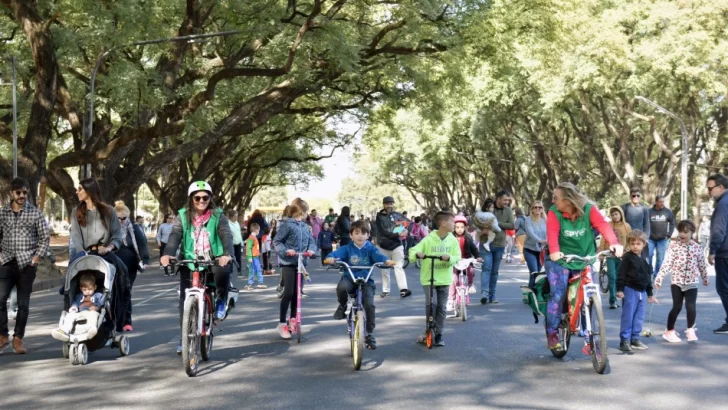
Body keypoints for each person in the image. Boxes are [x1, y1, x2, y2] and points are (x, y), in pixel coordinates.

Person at [545, 182, 623, 350]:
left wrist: (614, 243)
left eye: (556, 198)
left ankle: (590, 336)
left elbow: (603, 226)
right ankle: (552, 332)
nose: (553, 200)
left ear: (568, 200)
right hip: (561, 259)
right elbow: (552, 233)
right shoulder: (554, 212)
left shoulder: (588, 210)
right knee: (557, 295)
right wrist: (554, 250)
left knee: (588, 295)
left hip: (585, 258)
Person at [160, 181, 233, 353]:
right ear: (191, 199)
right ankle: (184, 337)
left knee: (222, 271)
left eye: (205, 197)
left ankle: (221, 299)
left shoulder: (218, 215)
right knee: (184, 299)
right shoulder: (183, 215)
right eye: (197, 197)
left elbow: (225, 234)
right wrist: (168, 253)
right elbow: (175, 235)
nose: (201, 200)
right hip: (190, 260)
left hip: (213, 259)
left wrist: (226, 254)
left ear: (210, 198)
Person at [69, 178, 129, 334]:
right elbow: (75, 236)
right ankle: (70, 312)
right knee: (70, 278)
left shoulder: (108, 211)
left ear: (89, 191)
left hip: (104, 252)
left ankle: (117, 318)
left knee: (122, 273)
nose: (77, 192)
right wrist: (82, 252)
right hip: (84, 253)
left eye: (80, 189)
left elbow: (117, 235)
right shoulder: (76, 212)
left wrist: (109, 247)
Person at [0, 178, 51, 354]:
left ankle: (18, 339)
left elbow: (45, 237)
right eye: (18, 192)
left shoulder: (35, 213)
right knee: (0, 298)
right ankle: (3, 336)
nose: (21, 196)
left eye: (24, 192)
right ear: (11, 194)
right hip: (6, 261)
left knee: (23, 304)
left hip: (27, 264)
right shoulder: (2, 213)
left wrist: (36, 257)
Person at [326, 220, 394, 350]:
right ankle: (342, 306)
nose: (360, 236)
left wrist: (386, 261)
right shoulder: (347, 248)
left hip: (366, 281)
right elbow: (336, 254)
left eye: (363, 233)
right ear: (351, 235)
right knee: (341, 288)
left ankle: (369, 333)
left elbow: (379, 256)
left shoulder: (371, 249)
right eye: (357, 233)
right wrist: (331, 257)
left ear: (368, 235)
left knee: (369, 305)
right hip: (350, 279)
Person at [409, 211, 461, 347]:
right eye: (452, 222)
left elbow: (457, 257)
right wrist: (417, 254)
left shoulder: (452, 240)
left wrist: (449, 258)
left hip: (444, 279)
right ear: (443, 223)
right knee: (432, 305)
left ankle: (438, 334)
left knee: (442, 307)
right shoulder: (428, 239)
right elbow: (412, 252)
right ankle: (429, 329)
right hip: (429, 279)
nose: (454, 224)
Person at [655, 220, 709, 343]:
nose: (682, 234)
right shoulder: (674, 247)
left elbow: (701, 265)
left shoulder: (697, 248)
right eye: (680, 231)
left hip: (692, 282)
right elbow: (666, 264)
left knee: (691, 307)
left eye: (686, 232)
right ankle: (669, 331)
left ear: (692, 233)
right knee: (677, 307)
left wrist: (705, 278)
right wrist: (659, 278)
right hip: (677, 282)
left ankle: (690, 329)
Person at [273, 198, 317, 339]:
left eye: (304, 213)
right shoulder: (288, 225)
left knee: (297, 294)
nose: (304, 215)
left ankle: (293, 319)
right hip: (288, 263)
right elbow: (277, 241)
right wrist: (286, 250)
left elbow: (312, 242)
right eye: (303, 212)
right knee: (289, 292)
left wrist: (311, 251)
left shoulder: (305, 227)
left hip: (301, 263)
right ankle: (281, 323)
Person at [616, 230, 658, 352]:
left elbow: (648, 276)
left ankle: (635, 339)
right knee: (628, 316)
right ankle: (624, 340)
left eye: (638, 243)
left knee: (639, 317)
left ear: (643, 244)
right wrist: (620, 289)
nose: (635, 246)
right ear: (628, 244)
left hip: (642, 292)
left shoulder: (645, 258)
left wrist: (650, 293)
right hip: (630, 289)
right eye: (632, 243)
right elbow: (621, 274)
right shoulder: (627, 257)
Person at [114, 201, 150, 332]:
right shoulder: (110, 228)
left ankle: (126, 321)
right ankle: (114, 320)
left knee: (126, 292)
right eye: (119, 218)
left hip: (130, 265)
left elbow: (142, 244)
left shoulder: (134, 228)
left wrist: (145, 260)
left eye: (125, 218)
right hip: (114, 264)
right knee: (114, 292)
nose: (122, 221)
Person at [480, 190, 514, 304]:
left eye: (508, 200)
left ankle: (492, 295)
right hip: (486, 244)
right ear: (498, 199)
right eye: (505, 200)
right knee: (486, 268)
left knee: (494, 271)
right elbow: (478, 221)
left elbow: (512, 225)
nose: (507, 202)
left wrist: (497, 222)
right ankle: (484, 293)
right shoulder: (488, 207)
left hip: (499, 245)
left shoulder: (508, 210)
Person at [375, 196, 411, 298]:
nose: (389, 205)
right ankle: (385, 290)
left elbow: (409, 223)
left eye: (391, 203)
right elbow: (383, 231)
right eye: (387, 203)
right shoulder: (379, 217)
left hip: (396, 245)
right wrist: (397, 234)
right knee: (385, 269)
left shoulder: (397, 215)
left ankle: (403, 289)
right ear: (383, 204)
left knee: (398, 267)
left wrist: (406, 230)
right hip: (383, 246)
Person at [51, 273, 104, 341]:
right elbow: (75, 302)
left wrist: (97, 308)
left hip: (91, 311)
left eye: (90, 289)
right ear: (81, 289)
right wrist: (74, 307)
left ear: (95, 287)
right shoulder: (79, 296)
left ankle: (91, 329)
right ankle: (65, 331)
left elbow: (102, 304)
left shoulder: (98, 295)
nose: (87, 291)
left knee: (93, 315)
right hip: (80, 311)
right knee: (69, 315)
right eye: (84, 290)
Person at [706, 173, 728, 334]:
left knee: (724, 288)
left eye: (710, 188)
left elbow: (719, 230)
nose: (709, 192)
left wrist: (713, 250)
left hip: (725, 253)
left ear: (720, 187)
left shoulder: (722, 204)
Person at [599, 206, 631, 309]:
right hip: (610, 255)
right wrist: (601, 253)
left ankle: (623, 297)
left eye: (616, 214)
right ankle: (612, 300)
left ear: (621, 214)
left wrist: (628, 250)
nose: (614, 216)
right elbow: (604, 239)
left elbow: (630, 239)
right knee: (612, 277)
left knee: (620, 277)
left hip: (622, 255)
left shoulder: (626, 226)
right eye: (612, 215)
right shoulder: (608, 225)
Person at [447, 215, 481, 312]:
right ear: (454, 227)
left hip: (465, 260)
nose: (460, 229)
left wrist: (477, 256)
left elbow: (473, 248)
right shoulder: (450, 237)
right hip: (454, 261)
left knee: (470, 270)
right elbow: (446, 248)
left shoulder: (468, 237)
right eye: (457, 227)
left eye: (462, 227)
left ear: (465, 227)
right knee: (453, 279)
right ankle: (451, 299)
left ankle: (470, 285)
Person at [648, 195, 676, 277]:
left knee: (660, 259)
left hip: (663, 239)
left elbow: (672, 223)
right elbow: (645, 223)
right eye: (660, 202)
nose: (662, 203)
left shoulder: (668, 212)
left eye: (663, 202)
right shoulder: (649, 212)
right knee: (649, 255)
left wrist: (669, 235)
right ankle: (650, 271)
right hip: (650, 239)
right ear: (656, 202)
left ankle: (656, 275)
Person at [523, 201, 547, 284]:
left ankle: (534, 294)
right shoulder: (528, 220)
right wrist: (540, 240)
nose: (537, 209)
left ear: (542, 209)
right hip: (530, 249)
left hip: (541, 251)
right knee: (534, 273)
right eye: (535, 207)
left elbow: (549, 233)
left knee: (538, 274)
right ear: (532, 209)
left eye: (540, 207)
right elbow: (530, 232)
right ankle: (531, 294)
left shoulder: (545, 221)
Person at [244, 223, 266, 290]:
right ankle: (250, 284)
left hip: (255, 256)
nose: (259, 232)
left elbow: (255, 247)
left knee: (258, 269)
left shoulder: (254, 238)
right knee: (252, 270)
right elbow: (248, 248)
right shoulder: (251, 238)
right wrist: (250, 257)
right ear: (256, 230)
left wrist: (258, 253)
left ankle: (260, 283)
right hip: (252, 257)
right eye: (259, 230)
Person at [228, 210, 244, 278]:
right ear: (231, 217)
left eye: (237, 216)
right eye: (235, 216)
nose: (236, 218)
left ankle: (239, 271)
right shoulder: (228, 224)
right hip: (232, 244)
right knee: (231, 258)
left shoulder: (237, 223)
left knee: (238, 258)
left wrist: (242, 243)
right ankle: (230, 271)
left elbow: (239, 233)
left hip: (238, 243)